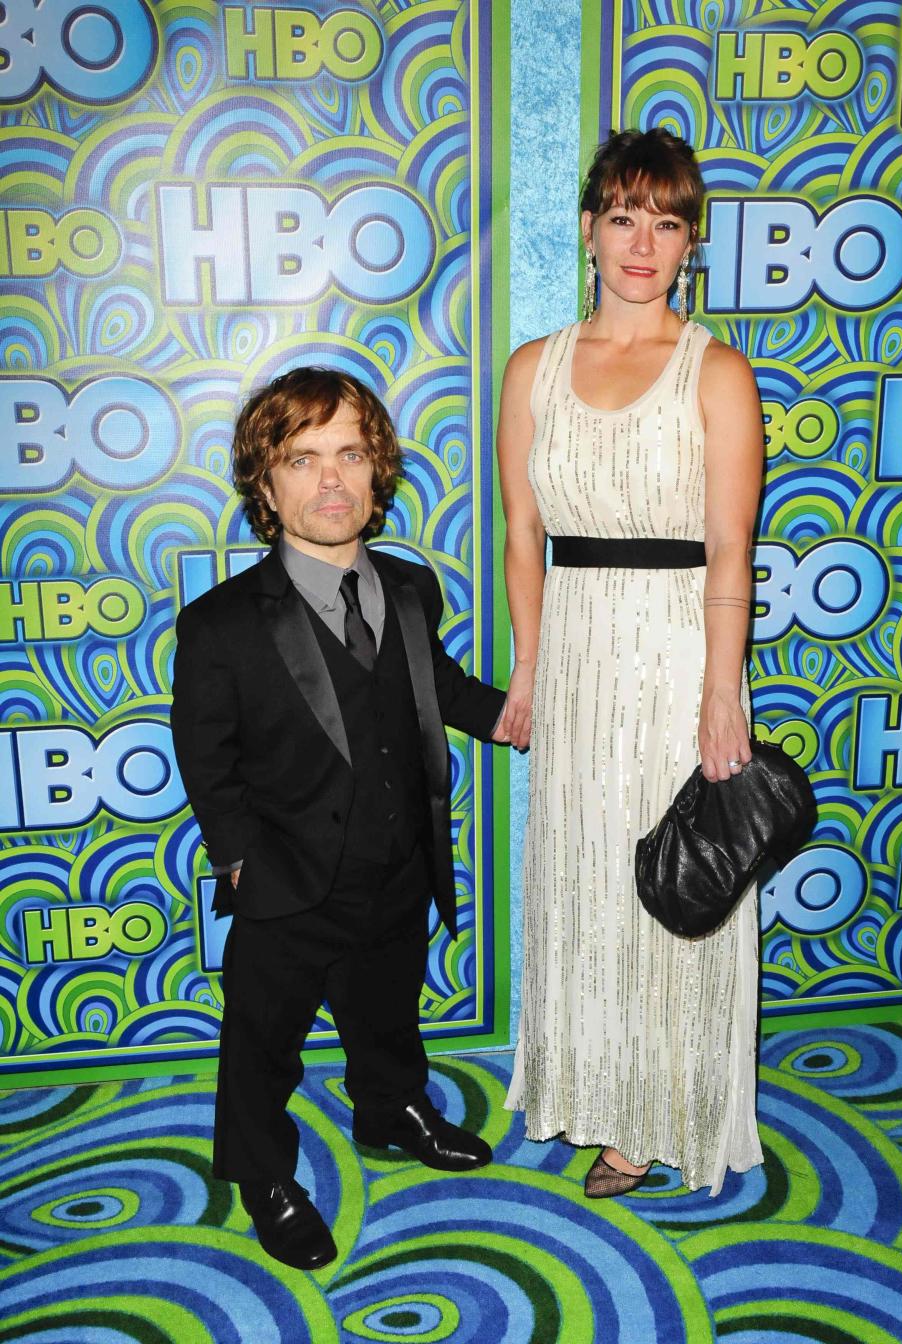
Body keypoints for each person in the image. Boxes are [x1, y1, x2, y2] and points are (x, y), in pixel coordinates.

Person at [171, 367, 509, 1270]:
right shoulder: (222, 626)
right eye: (302, 459)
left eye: (351, 454)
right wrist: (242, 863)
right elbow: (208, 762)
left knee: (388, 1010)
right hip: (286, 879)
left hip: (398, 863)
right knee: (262, 1042)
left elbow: (442, 690)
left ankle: (391, 1106)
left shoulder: (408, 587)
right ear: (266, 485)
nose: (331, 480)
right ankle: (263, 1176)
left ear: (378, 469)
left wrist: (525, 716)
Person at [496, 127, 765, 1197]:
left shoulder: (718, 372)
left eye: (667, 221)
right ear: (587, 231)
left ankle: (659, 1117)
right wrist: (528, 671)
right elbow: (524, 534)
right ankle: (594, 1087)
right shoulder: (533, 370)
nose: (642, 242)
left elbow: (731, 549)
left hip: (676, 651)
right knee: (587, 882)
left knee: (674, 888)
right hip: (576, 649)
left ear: (690, 242)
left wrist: (718, 695)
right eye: (623, 216)